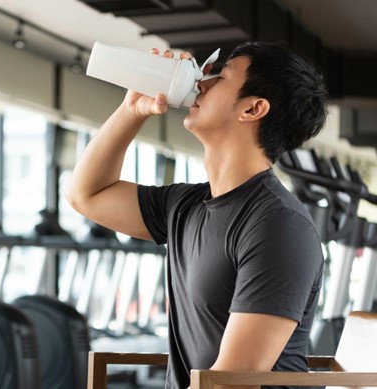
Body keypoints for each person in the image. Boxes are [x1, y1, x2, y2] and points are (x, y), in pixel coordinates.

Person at [66, 41, 327, 389]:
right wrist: (132, 109)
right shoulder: (185, 205)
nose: (201, 83)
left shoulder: (279, 226)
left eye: (220, 77)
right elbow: (86, 195)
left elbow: (230, 382)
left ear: (252, 109)